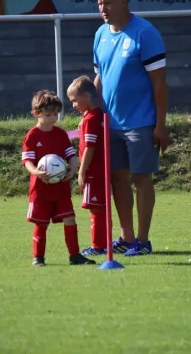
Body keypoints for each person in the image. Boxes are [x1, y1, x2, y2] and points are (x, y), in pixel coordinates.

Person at [93, 0, 170, 256]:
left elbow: (159, 83)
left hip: (141, 122)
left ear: (125, 1)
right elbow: (100, 77)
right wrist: (93, 115)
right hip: (109, 123)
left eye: (108, 2)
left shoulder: (145, 33)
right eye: (100, 3)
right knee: (117, 179)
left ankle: (143, 240)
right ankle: (125, 237)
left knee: (141, 179)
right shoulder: (100, 34)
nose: (103, 8)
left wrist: (160, 124)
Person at [21, 90, 96, 266]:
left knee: (70, 219)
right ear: (36, 114)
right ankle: (38, 257)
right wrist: (36, 172)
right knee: (41, 224)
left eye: (55, 114)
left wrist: (73, 168)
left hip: (61, 188)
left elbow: (70, 154)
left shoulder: (61, 134)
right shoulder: (31, 136)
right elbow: (27, 160)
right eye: (48, 114)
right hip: (40, 190)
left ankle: (75, 256)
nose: (53, 118)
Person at [67, 75, 107, 256]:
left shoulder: (91, 119)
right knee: (100, 208)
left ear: (87, 96)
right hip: (100, 170)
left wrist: (81, 172)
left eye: (75, 100)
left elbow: (90, 147)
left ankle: (98, 246)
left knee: (96, 209)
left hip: (93, 171)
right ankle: (103, 244)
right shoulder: (95, 115)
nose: (73, 105)